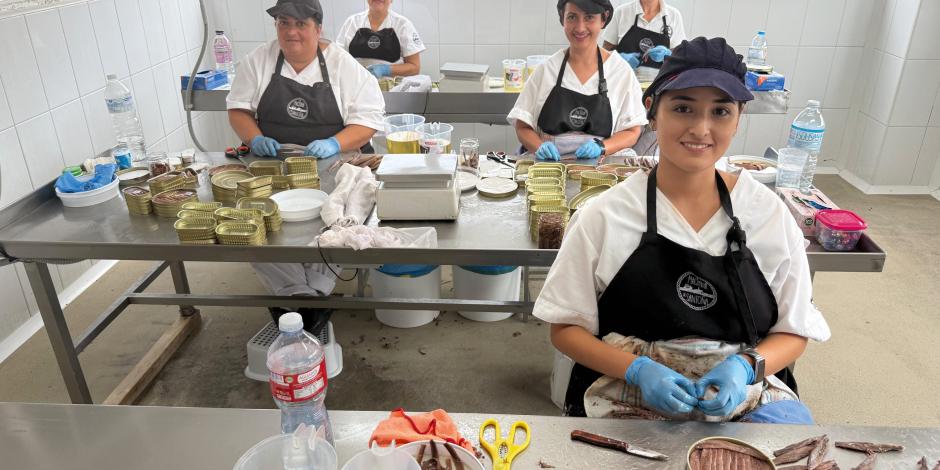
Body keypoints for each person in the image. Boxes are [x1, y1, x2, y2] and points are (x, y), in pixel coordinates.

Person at [534, 37, 830, 424]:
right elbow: (565, 329)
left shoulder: (767, 215)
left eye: (720, 111)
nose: (701, 128)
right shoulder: (604, 216)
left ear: (738, 118)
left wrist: (744, 368)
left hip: (746, 396)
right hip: (623, 391)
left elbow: (793, 331)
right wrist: (637, 369)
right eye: (683, 108)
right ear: (652, 113)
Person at [226, 0, 385, 331]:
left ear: (318, 28)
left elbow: (368, 121)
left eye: (301, 24)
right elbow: (238, 110)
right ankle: (312, 299)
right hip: (273, 167)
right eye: (283, 23)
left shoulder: (342, 65)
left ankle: (295, 301)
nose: (291, 32)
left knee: (337, 229)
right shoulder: (258, 61)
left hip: (336, 166)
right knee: (255, 230)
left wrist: (333, 144)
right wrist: (255, 138)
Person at [507, 0, 647, 162]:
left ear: (603, 19)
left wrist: (602, 147)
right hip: (549, 167)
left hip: (602, 168)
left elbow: (632, 131)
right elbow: (522, 126)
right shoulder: (546, 70)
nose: (580, 28)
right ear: (562, 18)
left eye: (589, 17)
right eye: (572, 17)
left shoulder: (620, 72)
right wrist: (539, 146)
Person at [335, 0, 425, 79]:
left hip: (392, 89)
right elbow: (337, 59)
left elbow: (415, 67)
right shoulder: (352, 23)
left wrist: (386, 69)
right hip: (356, 87)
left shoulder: (403, 25)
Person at [602, 0, 687, 75]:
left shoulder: (673, 16)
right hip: (622, 81)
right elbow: (604, 52)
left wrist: (668, 54)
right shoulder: (622, 12)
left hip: (659, 85)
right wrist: (619, 58)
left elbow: (681, 57)